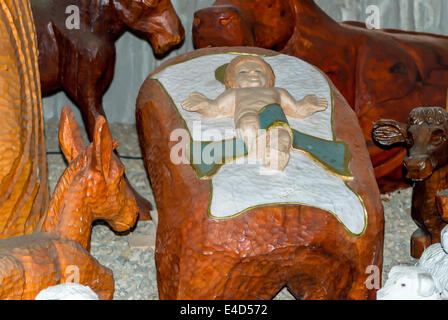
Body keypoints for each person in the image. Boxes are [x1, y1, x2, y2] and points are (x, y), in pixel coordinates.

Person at [181, 55, 328, 170]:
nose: (252, 72)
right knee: (248, 124)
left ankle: (278, 154)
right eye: (243, 72)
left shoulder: (278, 92)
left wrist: (308, 104)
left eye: (259, 71)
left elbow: (296, 110)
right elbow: (215, 108)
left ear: (269, 78)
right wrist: (202, 104)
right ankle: (256, 150)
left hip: (273, 115)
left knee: (281, 134)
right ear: (232, 81)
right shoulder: (234, 93)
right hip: (248, 115)